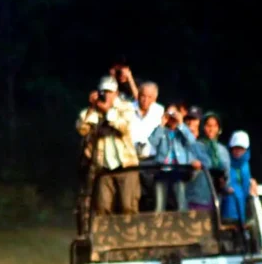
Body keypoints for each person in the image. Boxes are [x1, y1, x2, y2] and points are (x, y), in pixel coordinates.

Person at [75, 75, 140, 215]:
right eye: (103, 91)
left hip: (126, 165)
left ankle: (130, 229)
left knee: (128, 206)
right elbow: (82, 129)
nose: (106, 95)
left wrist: (108, 111)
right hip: (103, 167)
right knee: (102, 207)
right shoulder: (93, 110)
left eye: (110, 92)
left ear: (116, 93)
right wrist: (92, 107)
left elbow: (125, 127)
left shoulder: (126, 107)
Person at [147, 104, 200, 212]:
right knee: (159, 204)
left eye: (174, 114)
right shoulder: (161, 130)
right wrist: (162, 124)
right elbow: (153, 141)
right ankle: (159, 221)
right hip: (162, 169)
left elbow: (192, 141)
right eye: (169, 115)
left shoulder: (182, 131)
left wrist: (181, 123)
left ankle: (182, 220)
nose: (172, 118)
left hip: (178, 170)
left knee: (181, 202)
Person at [223, 130, 253, 224]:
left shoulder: (246, 165)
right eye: (235, 148)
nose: (238, 151)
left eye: (241, 148)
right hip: (226, 208)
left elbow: (246, 187)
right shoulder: (224, 162)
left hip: (241, 208)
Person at [130, 81, 163, 158]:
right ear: (138, 95)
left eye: (149, 97)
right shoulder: (128, 108)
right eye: (143, 96)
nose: (145, 100)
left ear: (155, 98)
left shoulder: (160, 111)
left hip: (152, 158)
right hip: (130, 157)